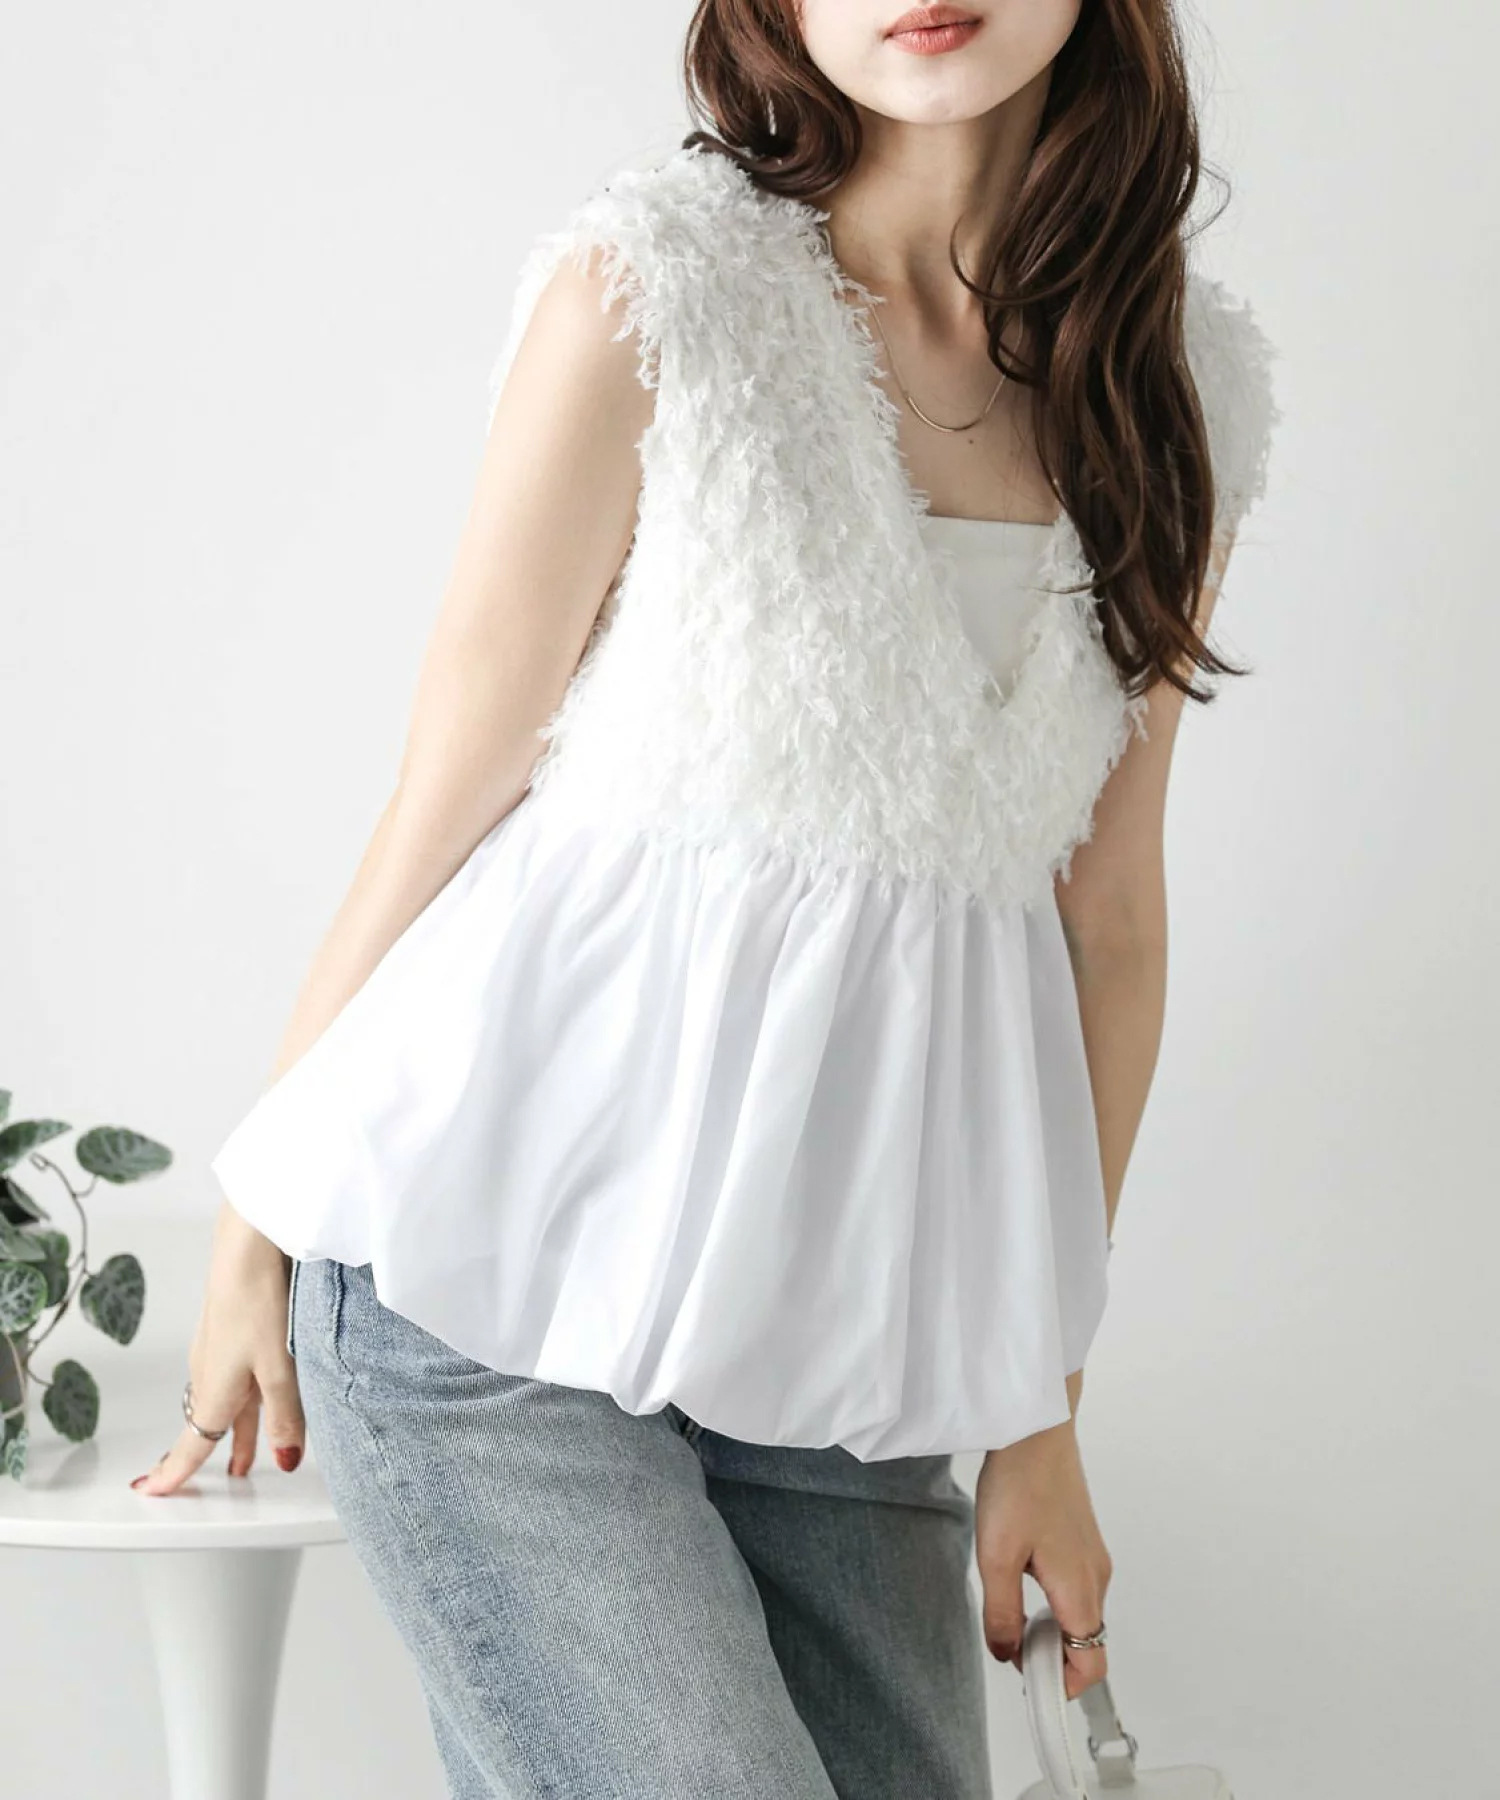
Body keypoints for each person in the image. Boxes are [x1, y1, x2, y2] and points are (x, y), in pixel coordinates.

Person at [129, 3, 1280, 1796]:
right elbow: (452, 782)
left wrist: (1040, 1410)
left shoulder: (1169, 383)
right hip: (485, 1307)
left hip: (843, 1337)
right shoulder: (655, 292)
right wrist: (253, 1208)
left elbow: (1107, 920)